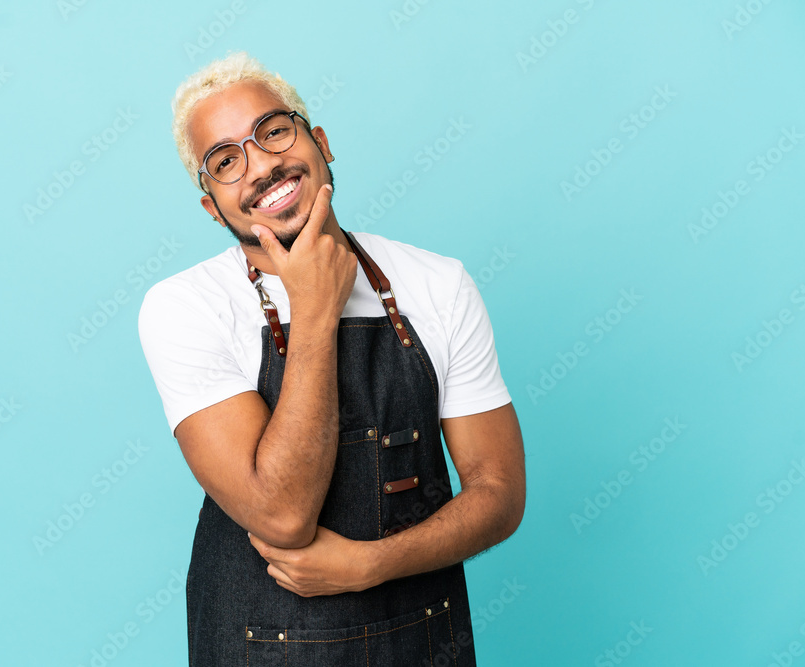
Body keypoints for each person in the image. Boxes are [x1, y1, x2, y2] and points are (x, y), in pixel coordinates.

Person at [138, 50, 526, 666]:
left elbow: (500, 493)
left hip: (421, 636)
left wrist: (369, 565)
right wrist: (316, 305)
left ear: (319, 142)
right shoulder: (184, 307)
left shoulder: (439, 284)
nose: (262, 165)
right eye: (225, 161)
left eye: (273, 131)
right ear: (212, 205)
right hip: (260, 644)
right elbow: (282, 515)